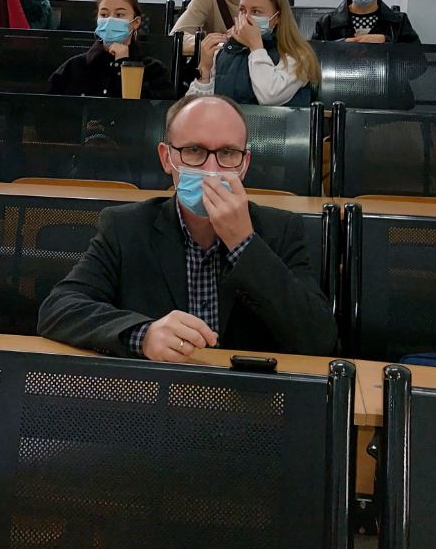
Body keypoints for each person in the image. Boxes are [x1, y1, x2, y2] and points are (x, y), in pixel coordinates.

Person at [37, 95, 338, 359]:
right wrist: (143, 336)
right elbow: (59, 309)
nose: (211, 170)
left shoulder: (280, 230)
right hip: (159, 391)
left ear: (244, 164)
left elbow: (320, 339)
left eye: (227, 153)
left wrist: (244, 244)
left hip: (246, 395)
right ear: (167, 158)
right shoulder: (125, 228)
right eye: (194, 151)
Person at [186, 0, 319, 108]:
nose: (246, 18)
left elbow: (269, 96)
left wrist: (256, 47)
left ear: (277, 17)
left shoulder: (298, 56)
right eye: (242, 10)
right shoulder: (225, 51)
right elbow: (195, 110)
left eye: (256, 12)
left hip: (277, 123)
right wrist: (204, 71)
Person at [47, 0, 174, 98]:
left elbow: (153, 110)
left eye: (119, 15)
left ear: (136, 22)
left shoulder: (154, 70)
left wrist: (123, 64)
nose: (110, 20)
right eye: (104, 15)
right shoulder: (74, 67)